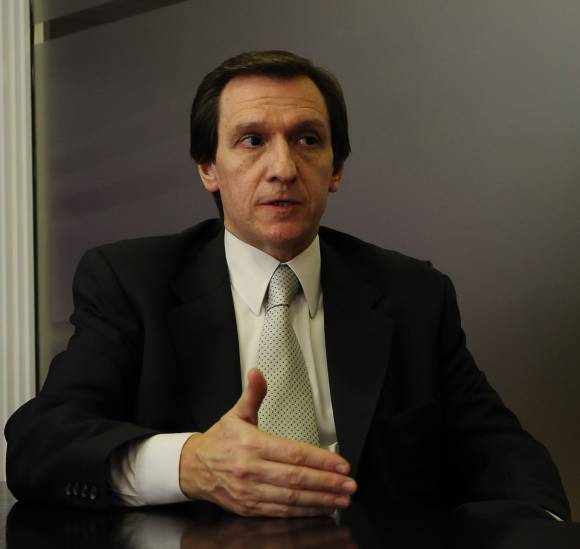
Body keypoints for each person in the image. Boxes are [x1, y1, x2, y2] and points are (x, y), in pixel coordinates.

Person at [5, 50, 570, 520]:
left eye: (307, 139)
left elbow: (501, 454)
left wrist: (543, 532)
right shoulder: (132, 282)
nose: (283, 168)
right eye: (252, 140)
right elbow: (40, 443)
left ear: (336, 168)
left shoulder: (413, 294)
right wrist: (191, 463)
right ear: (208, 168)